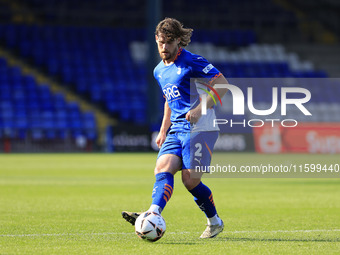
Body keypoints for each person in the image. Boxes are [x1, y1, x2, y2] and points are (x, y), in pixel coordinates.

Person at [122, 17, 229, 238]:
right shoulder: (159, 71)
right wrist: (163, 130)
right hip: (176, 129)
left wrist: (200, 109)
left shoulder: (191, 61)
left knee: (190, 181)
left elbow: (222, 83)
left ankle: (215, 222)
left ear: (178, 41)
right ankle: (152, 213)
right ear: (156, 40)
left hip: (201, 127)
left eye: (169, 42)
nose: (164, 47)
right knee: (162, 168)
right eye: (161, 42)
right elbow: (169, 101)